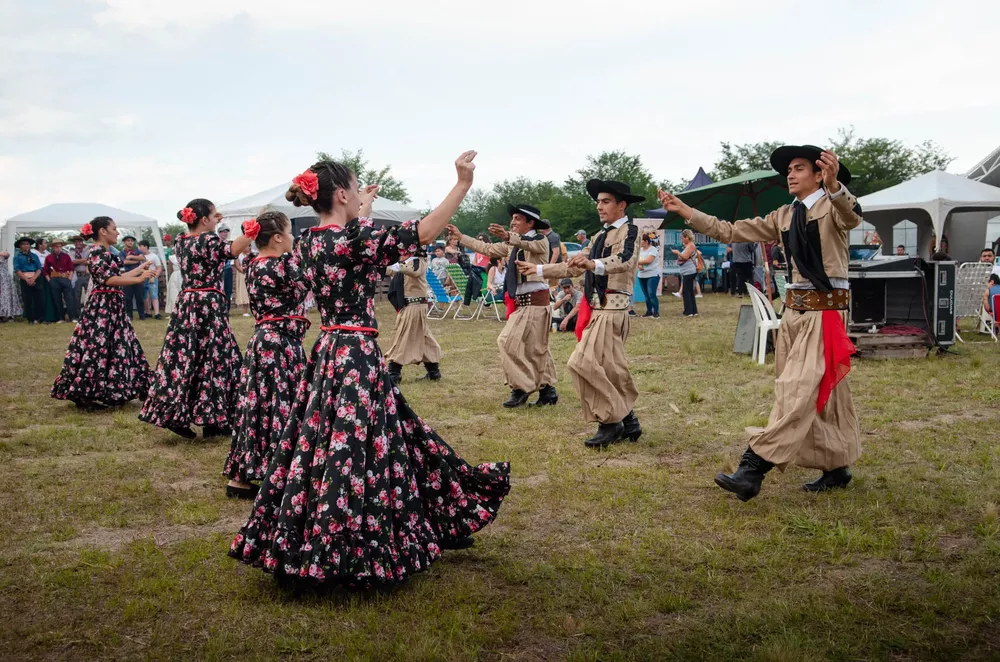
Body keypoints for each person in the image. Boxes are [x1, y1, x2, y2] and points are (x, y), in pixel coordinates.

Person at [230, 151, 510, 590]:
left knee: (329, 442)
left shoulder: (309, 241)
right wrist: (462, 185)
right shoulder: (354, 239)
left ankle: (313, 535)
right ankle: (347, 548)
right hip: (356, 355)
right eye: (357, 189)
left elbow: (349, 237)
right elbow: (425, 231)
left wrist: (363, 207)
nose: (361, 194)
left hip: (327, 351)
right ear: (342, 194)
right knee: (359, 446)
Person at [659, 144, 862, 501]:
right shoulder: (783, 215)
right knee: (813, 392)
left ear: (819, 174)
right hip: (794, 314)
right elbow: (730, 231)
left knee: (798, 391)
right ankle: (835, 466)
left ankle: (752, 469)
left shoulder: (834, 207)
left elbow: (853, 217)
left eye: (800, 168)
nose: (791, 173)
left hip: (825, 314)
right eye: (789, 169)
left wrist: (835, 186)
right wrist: (687, 211)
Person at [519, 179, 643, 448]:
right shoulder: (599, 237)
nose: (599, 206)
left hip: (613, 309)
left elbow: (626, 260)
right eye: (598, 201)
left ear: (622, 205)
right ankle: (629, 421)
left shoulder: (630, 231)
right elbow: (574, 267)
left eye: (605, 201)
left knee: (581, 363)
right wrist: (539, 271)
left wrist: (593, 263)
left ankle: (611, 422)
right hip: (599, 309)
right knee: (611, 369)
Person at [139, 199, 253, 440]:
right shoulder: (209, 240)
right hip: (207, 304)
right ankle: (213, 417)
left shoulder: (182, 240)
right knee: (215, 358)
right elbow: (232, 250)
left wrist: (212, 220)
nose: (216, 220)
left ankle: (175, 413)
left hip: (187, 303)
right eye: (213, 217)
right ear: (204, 220)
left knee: (184, 358)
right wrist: (251, 230)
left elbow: (207, 242)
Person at [223, 211, 310, 500]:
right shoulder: (281, 266)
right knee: (282, 406)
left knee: (258, 408)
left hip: (262, 341)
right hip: (281, 344)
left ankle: (242, 478)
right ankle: (281, 472)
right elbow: (311, 282)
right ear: (277, 237)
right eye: (289, 232)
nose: (293, 238)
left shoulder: (252, 263)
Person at [447, 204, 558, 408]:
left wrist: (508, 235)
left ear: (530, 222)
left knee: (507, 341)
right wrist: (461, 237)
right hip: (525, 304)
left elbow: (530, 245)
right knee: (536, 349)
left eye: (517, 218)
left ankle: (521, 387)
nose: (513, 221)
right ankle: (547, 390)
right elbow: (487, 249)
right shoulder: (514, 244)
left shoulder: (540, 240)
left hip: (535, 303)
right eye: (512, 218)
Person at [51, 217, 157, 410]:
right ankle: (86, 391)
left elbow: (117, 276)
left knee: (117, 345)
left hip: (111, 305)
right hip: (103, 306)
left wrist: (140, 270)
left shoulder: (105, 252)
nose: (117, 233)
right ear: (102, 231)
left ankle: (114, 387)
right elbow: (107, 280)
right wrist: (139, 278)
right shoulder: (98, 252)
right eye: (114, 229)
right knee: (98, 347)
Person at [385, 247, 443, 383]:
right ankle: (434, 371)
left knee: (403, 337)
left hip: (415, 306)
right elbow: (390, 270)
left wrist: (396, 264)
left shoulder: (418, 262)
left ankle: (394, 373)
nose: (400, 254)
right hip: (409, 306)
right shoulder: (403, 265)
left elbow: (413, 271)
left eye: (402, 251)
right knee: (424, 337)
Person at [44, 239, 78, 322]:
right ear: (53, 247)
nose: (58, 248)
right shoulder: (48, 257)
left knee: (69, 298)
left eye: (60, 246)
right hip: (54, 279)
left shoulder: (66, 256)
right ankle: (61, 318)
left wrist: (69, 279)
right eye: (56, 247)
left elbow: (71, 268)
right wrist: (49, 280)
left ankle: (72, 317)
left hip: (65, 278)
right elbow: (45, 270)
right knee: (57, 299)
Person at [13, 238, 44, 324]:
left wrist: (34, 278)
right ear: (20, 246)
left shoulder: (34, 256)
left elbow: (39, 268)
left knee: (39, 299)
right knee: (27, 299)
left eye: (27, 244)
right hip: (24, 278)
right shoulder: (17, 257)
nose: (26, 245)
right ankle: (30, 318)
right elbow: (17, 270)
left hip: (36, 277)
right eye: (24, 244)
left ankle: (40, 318)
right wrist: (27, 279)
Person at [121, 235, 147, 321]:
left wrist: (131, 257)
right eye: (128, 240)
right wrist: (137, 260)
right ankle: (129, 316)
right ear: (124, 242)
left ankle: (142, 315)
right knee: (128, 297)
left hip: (138, 276)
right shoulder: (122, 252)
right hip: (127, 276)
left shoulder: (137, 250)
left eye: (132, 241)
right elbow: (124, 262)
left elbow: (143, 258)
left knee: (139, 296)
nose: (130, 242)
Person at [673, 230, 699, 317]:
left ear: (687, 237)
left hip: (689, 271)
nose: (682, 240)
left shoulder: (691, 245)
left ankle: (688, 311)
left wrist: (678, 252)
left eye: (682, 238)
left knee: (686, 291)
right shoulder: (689, 245)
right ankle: (693, 310)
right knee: (690, 291)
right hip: (688, 271)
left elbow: (685, 256)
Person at [137, 240, 163, 320]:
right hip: (143, 278)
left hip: (152, 277)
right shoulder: (139, 256)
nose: (139, 248)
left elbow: (159, 268)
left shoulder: (154, 256)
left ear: (145, 246)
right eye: (139, 246)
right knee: (145, 296)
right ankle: (148, 312)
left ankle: (157, 313)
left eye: (140, 246)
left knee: (154, 295)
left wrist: (155, 276)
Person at [637, 231, 660, 318]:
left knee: (651, 294)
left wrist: (638, 262)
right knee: (646, 295)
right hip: (642, 275)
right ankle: (649, 311)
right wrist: (639, 265)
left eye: (641, 241)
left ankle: (656, 312)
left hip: (653, 274)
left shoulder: (653, 249)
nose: (640, 243)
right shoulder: (640, 250)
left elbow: (649, 260)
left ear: (646, 241)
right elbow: (638, 260)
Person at [69, 235, 91, 310]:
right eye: (76, 242)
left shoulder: (88, 250)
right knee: (76, 295)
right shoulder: (71, 251)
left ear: (82, 242)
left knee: (89, 294)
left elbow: (90, 260)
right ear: (74, 243)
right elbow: (73, 262)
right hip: (77, 275)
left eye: (80, 241)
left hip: (87, 275)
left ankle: (89, 312)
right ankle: (77, 315)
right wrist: (85, 260)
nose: (78, 243)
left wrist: (81, 261)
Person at [217, 225, 235, 312]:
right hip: (219, 269)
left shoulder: (229, 243)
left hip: (228, 268)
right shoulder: (216, 243)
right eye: (223, 232)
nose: (225, 233)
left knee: (228, 290)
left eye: (226, 232)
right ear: (219, 233)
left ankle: (227, 309)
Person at [0, 250, 21, 321]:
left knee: (5, 295)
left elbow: (7, 254)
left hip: (3, 278)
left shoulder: (2, 253)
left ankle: (6, 314)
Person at [232, 245, 251, 314]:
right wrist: (244, 271)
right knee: (243, 291)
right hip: (242, 274)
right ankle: (245, 311)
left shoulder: (251, 255)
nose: (248, 248)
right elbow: (237, 265)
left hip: (250, 273)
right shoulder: (239, 255)